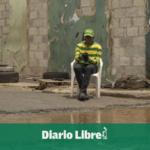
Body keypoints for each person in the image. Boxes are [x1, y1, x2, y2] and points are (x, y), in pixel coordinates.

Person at [74, 29, 102, 101]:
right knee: (77, 67)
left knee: (89, 68)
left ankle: (82, 91)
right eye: (86, 37)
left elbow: (97, 62)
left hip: (92, 66)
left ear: (93, 38)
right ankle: (83, 92)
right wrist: (81, 56)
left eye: (89, 37)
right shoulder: (79, 45)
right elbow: (76, 59)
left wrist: (89, 60)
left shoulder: (98, 46)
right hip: (82, 64)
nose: (87, 39)